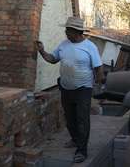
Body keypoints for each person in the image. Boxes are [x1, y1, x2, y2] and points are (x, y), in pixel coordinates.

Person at [36, 16, 104, 164]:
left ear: (77, 31)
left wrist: (98, 85)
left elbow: (98, 68)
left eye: (68, 30)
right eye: (66, 30)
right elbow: (53, 59)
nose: (66, 33)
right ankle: (75, 139)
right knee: (70, 118)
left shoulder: (89, 47)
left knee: (82, 119)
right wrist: (42, 51)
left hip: (83, 88)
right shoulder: (63, 45)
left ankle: (82, 150)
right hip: (66, 88)